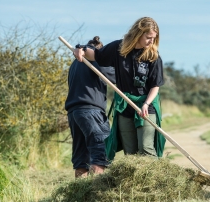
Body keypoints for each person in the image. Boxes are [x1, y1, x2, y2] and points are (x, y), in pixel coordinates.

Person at [73, 17, 166, 161]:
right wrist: (80, 50)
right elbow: (96, 55)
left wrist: (146, 104)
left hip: (146, 107)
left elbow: (155, 86)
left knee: (146, 148)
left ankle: (154, 183)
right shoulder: (118, 48)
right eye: (148, 37)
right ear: (138, 34)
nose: (151, 42)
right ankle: (134, 183)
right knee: (130, 153)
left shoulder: (153, 56)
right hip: (124, 106)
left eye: (154, 38)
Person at [65, 36, 115, 178]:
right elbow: (115, 77)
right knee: (101, 148)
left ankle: (80, 193)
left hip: (74, 112)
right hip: (91, 111)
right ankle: (96, 192)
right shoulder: (95, 59)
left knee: (82, 158)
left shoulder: (75, 63)